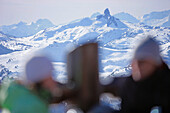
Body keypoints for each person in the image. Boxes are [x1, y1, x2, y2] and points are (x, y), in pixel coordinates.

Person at [104, 36, 170, 113]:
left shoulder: (165, 86)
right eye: (136, 61)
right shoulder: (130, 84)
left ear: (154, 63)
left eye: (143, 61)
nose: (138, 66)